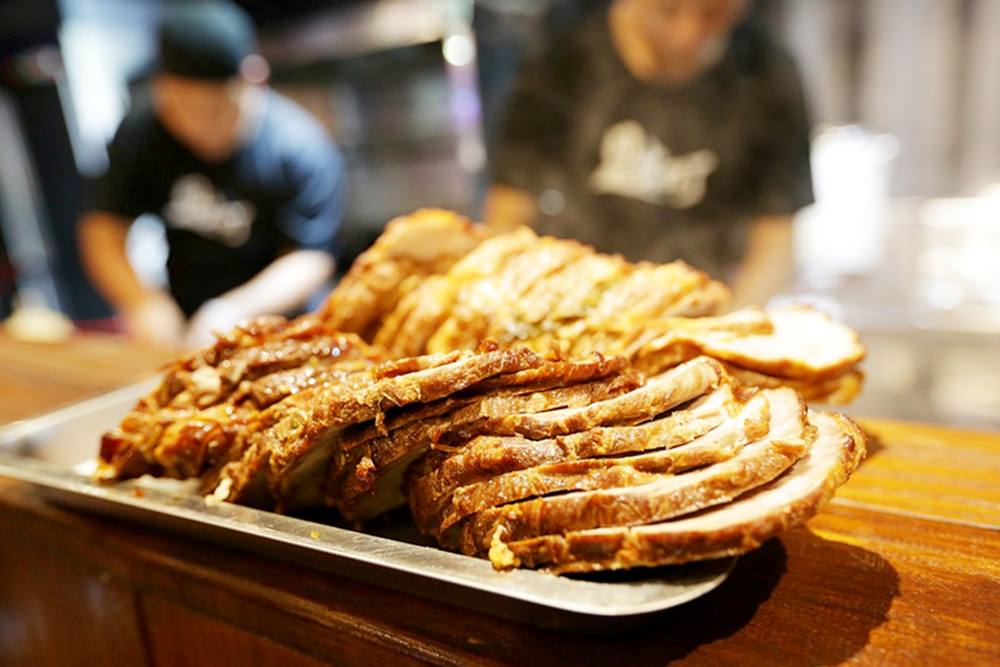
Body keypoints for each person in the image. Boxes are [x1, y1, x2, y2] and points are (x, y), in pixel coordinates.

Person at [484, 0, 813, 306]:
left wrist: (730, 325)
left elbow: (776, 241)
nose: (687, 35)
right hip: (573, 304)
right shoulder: (561, 58)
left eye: (714, 14)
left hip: (705, 304)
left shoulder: (768, 74)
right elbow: (508, 215)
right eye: (667, 10)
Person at [79, 1, 344, 348]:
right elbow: (103, 233)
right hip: (185, 325)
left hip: (283, 330)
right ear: (161, 89)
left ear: (254, 80)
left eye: (218, 109)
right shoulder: (141, 135)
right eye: (183, 109)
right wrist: (143, 302)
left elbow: (310, 257)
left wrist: (232, 310)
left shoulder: (298, 145)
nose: (200, 127)